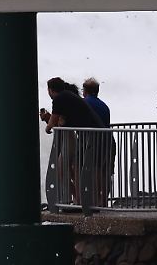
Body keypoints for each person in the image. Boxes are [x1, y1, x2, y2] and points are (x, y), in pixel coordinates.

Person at [40, 77, 106, 207]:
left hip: (88, 136)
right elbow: (62, 122)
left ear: (50, 90)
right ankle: (81, 200)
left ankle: (80, 200)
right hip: (93, 134)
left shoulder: (59, 99)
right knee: (75, 169)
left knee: (72, 168)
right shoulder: (68, 97)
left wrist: (47, 125)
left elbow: (54, 122)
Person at [82, 78, 114, 207]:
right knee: (104, 170)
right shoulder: (104, 105)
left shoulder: (84, 103)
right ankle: (103, 200)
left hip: (93, 140)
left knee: (94, 170)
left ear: (85, 91)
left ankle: (95, 200)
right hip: (107, 139)